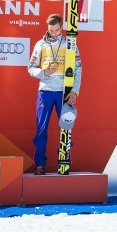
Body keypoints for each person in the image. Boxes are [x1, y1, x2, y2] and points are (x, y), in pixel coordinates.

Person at [28, 14, 82, 174]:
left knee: (66, 128)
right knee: (41, 129)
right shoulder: (40, 44)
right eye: (51, 30)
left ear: (61, 28)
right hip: (45, 91)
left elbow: (78, 68)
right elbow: (30, 68)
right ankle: (40, 164)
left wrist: (74, 91)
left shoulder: (70, 44)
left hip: (64, 91)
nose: (54, 33)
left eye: (57, 30)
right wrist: (44, 72)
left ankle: (64, 161)